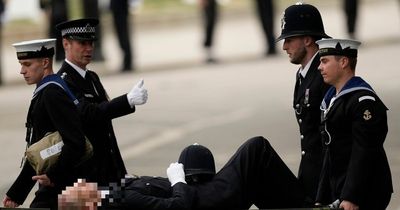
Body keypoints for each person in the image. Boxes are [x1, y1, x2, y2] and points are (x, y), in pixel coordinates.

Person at [60, 136, 307, 210]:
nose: (83, 183)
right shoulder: (123, 199)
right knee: (257, 148)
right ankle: (306, 205)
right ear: (88, 200)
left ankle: (297, 206)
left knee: (256, 175)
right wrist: (178, 181)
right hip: (207, 199)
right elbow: (178, 208)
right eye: (80, 188)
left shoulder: (118, 194)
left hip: (205, 193)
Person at [55, 18, 148, 186]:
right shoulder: (63, 82)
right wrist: (127, 100)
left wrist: (120, 171)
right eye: (82, 43)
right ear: (66, 44)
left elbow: (105, 125)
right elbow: (88, 113)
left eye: (91, 43)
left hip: (107, 170)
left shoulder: (92, 77)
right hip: (86, 176)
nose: (89, 48)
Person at [2, 39, 89, 209]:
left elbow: (75, 142)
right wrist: (16, 193)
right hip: (57, 185)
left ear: (45, 62)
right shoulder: (48, 90)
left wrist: (53, 176)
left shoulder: (52, 93)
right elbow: (39, 150)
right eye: (21, 64)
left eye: (27, 64)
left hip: (63, 188)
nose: (22, 71)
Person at [315, 38, 393, 210]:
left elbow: (364, 151)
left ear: (343, 62)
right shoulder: (331, 99)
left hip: (365, 193)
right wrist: (321, 197)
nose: (320, 67)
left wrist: (351, 197)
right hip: (341, 190)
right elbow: (330, 153)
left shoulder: (363, 101)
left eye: (325, 61)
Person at [276, 2, 331, 204]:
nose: (284, 47)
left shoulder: (325, 74)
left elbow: (332, 141)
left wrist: (324, 193)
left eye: (289, 39)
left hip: (328, 182)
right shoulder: (304, 74)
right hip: (311, 177)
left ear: (307, 40)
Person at [110, 0, 133, 71]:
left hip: (120, 8)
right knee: (122, 35)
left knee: (123, 35)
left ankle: (127, 62)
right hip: (119, 8)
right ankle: (127, 61)